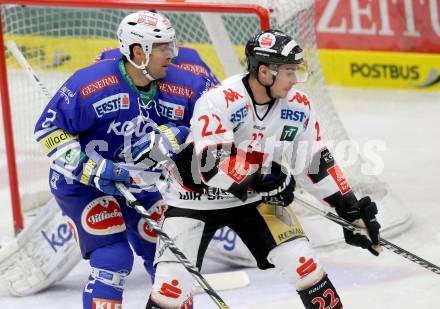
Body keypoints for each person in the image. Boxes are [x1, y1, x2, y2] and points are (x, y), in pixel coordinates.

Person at [147, 29, 382, 309]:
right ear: (264, 71)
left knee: (303, 263)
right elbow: (211, 164)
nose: (294, 79)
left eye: (296, 70)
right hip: (193, 199)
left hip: (255, 200)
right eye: (287, 71)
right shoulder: (220, 100)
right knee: (171, 288)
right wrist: (264, 177)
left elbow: (312, 160)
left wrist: (347, 206)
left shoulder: (299, 105)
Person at [34, 11, 211, 309]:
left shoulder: (183, 85)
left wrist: (182, 135)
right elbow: (48, 131)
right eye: (162, 48)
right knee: (112, 259)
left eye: (171, 45)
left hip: (138, 182)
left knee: (167, 255)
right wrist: (93, 169)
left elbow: (217, 126)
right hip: (81, 184)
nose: (171, 54)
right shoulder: (91, 84)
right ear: (137, 51)